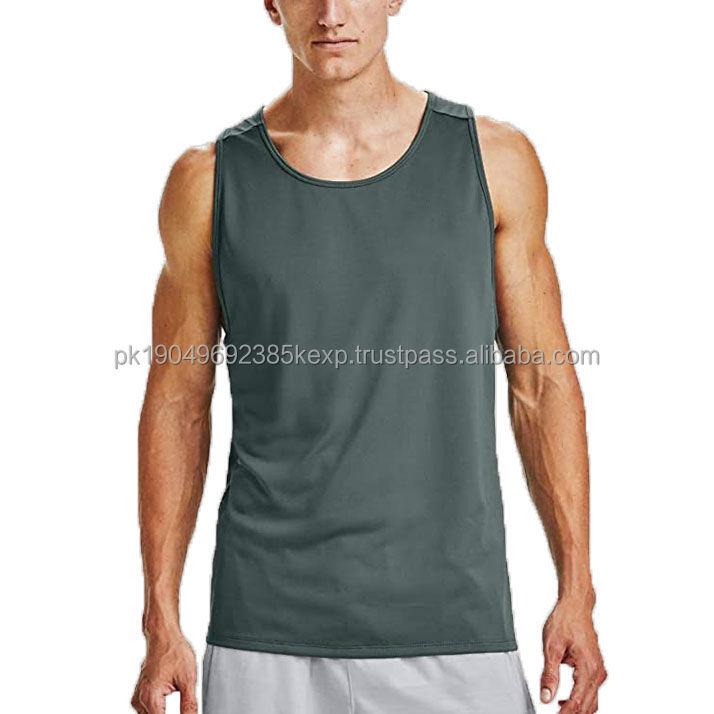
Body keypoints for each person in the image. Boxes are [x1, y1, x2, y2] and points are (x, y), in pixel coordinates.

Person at [132, 1, 607, 713]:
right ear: (271, 3)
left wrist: (577, 590)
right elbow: (177, 403)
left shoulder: (493, 161)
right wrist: (160, 620)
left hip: (455, 622)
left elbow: (541, 383)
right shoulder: (209, 182)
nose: (332, 14)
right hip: (267, 630)